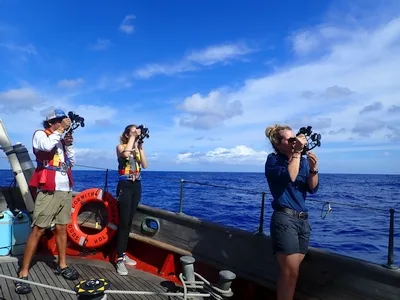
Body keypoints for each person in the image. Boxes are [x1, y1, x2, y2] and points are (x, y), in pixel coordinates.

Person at [15, 109, 79, 294]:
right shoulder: (41, 134)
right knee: (39, 230)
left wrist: (69, 145)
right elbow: (44, 147)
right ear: (53, 122)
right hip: (48, 190)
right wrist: (60, 133)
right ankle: (23, 272)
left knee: (61, 227)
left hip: (65, 188)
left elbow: (71, 162)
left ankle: (62, 265)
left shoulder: (59, 138)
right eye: (61, 121)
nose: (64, 124)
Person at [264, 124, 319, 300]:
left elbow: (313, 188)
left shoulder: (302, 162)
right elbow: (290, 176)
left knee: (291, 273)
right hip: (285, 219)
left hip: (303, 222)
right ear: (278, 145)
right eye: (289, 139)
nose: (294, 141)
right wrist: (296, 153)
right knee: (290, 273)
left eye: (294, 137)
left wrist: (313, 169)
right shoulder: (273, 161)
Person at [115, 124, 148, 275]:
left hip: (137, 186)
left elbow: (145, 165)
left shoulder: (136, 149)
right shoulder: (121, 147)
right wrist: (134, 137)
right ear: (127, 134)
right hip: (125, 185)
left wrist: (140, 146)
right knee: (123, 222)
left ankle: (122, 253)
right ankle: (119, 258)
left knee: (129, 222)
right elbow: (126, 155)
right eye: (133, 131)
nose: (136, 132)